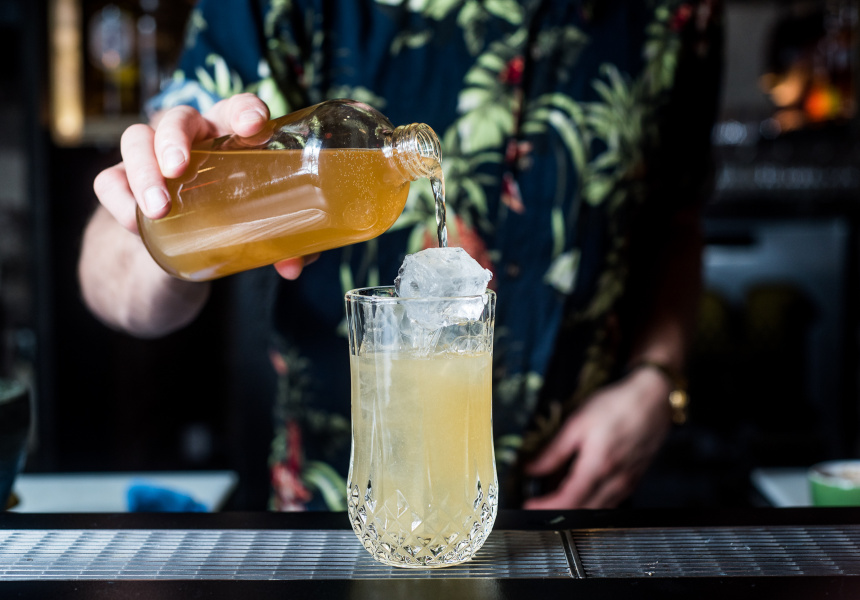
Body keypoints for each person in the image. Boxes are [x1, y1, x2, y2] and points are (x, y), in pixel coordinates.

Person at [78, 0, 722, 510]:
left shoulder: (674, 12)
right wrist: (164, 215)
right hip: (337, 517)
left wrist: (656, 381)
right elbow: (112, 279)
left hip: (577, 508)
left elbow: (675, 218)